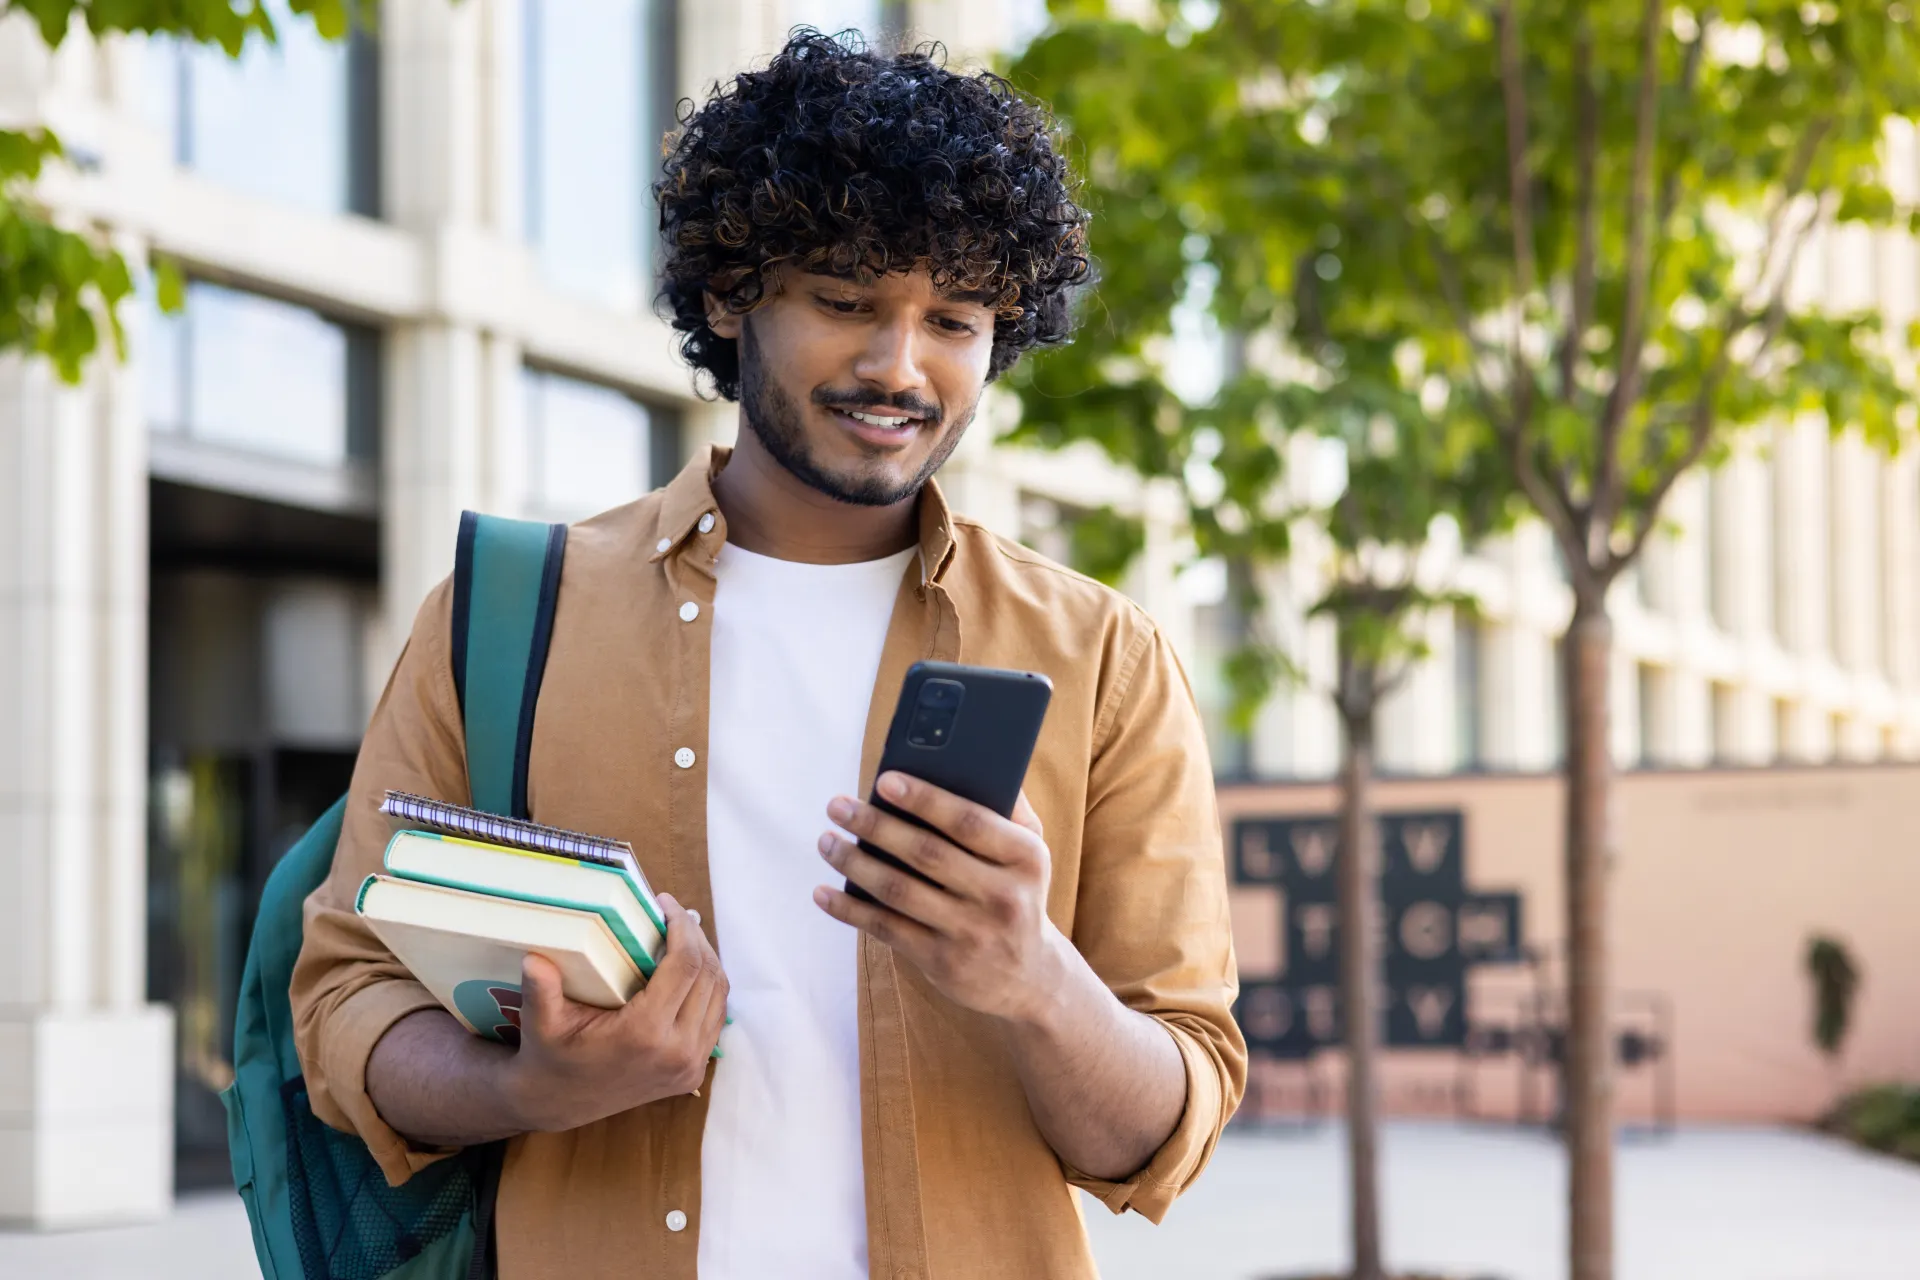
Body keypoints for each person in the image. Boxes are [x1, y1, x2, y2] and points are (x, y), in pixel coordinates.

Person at [291, 30, 1244, 1280]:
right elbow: (345, 1003)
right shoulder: (509, 614)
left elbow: (1172, 1122)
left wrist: (1033, 977)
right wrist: (531, 1082)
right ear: (733, 292)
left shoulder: (1102, 655)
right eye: (846, 302)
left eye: (951, 319)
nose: (899, 367)